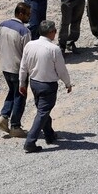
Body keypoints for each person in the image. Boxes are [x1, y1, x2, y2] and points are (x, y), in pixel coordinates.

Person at [19, 20, 72, 153]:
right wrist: (67, 83)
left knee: (43, 110)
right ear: (50, 32)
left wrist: (22, 82)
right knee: (42, 113)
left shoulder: (30, 45)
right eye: (54, 31)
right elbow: (61, 70)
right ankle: (30, 142)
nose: (55, 33)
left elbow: (23, 66)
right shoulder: (54, 49)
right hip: (48, 86)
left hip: (34, 83)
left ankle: (49, 135)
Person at [0, 2, 32, 138]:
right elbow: (28, 54)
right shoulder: (25, 32)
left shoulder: (3, 25)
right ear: (20, 14)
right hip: (18, 69)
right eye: (27, 14)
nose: (29, 17)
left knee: (13, 92)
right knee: (20, 95)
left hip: (5, 68)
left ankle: (3, 117)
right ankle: (15, 126)